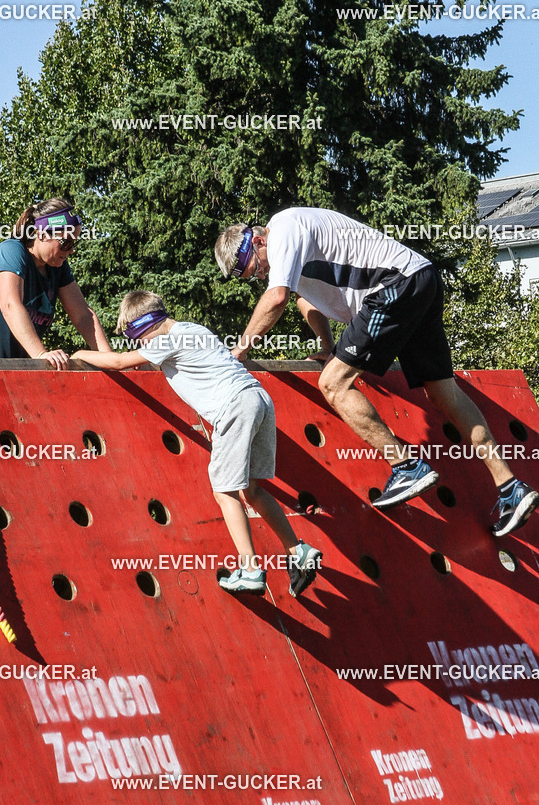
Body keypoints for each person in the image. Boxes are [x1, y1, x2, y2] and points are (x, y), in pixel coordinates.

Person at [215, 207, 539, 538]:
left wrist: (241, 349)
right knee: (443, 393)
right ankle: (510, 487)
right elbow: (304, 300)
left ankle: (406, 466)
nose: (259, 275)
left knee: (333, 384)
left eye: (254, 268)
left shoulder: (283, 229)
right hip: (420, 278)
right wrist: (327, 346)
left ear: (258, 242)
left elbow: (277, 298)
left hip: (392, 287)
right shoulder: (291, 244)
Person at [72, 290, 322, 596]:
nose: (139, 347)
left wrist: (78, 354)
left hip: (234, 407)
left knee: (224, 490)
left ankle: (250, 571)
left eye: (137, 338)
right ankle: (298, 550)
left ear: (146, 325)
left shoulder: (166, 341)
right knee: (251, 489)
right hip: (258, 398)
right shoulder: (194, 330)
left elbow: (118, 361)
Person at [0, 198, 110, 368]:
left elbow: (83, 315)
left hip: (6, 368)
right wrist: (41, 354)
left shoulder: (58, 267)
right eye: (66, 243)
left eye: (74, 243)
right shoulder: (11, 251)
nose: (71, 250)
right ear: (42, 235)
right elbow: (10, 305)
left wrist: (110, 360)